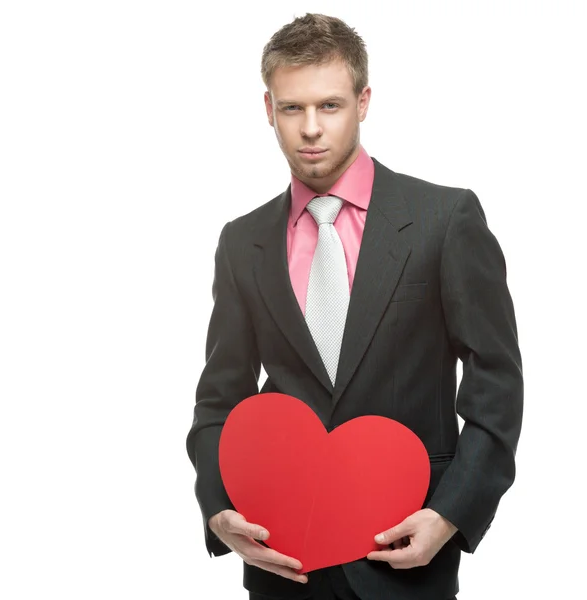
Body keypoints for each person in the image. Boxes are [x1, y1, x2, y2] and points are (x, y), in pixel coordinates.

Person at [186, 12, 523, 600]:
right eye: (292, 109)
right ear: (268, 109)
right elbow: (219, 396)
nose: (311, 128)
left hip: (407, 554)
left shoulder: (445, 220)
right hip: (282, 563)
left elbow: (497, 380)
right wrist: (218, 508)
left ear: (364, 101)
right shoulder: (242, 242)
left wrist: (450, 513)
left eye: (330, 106)